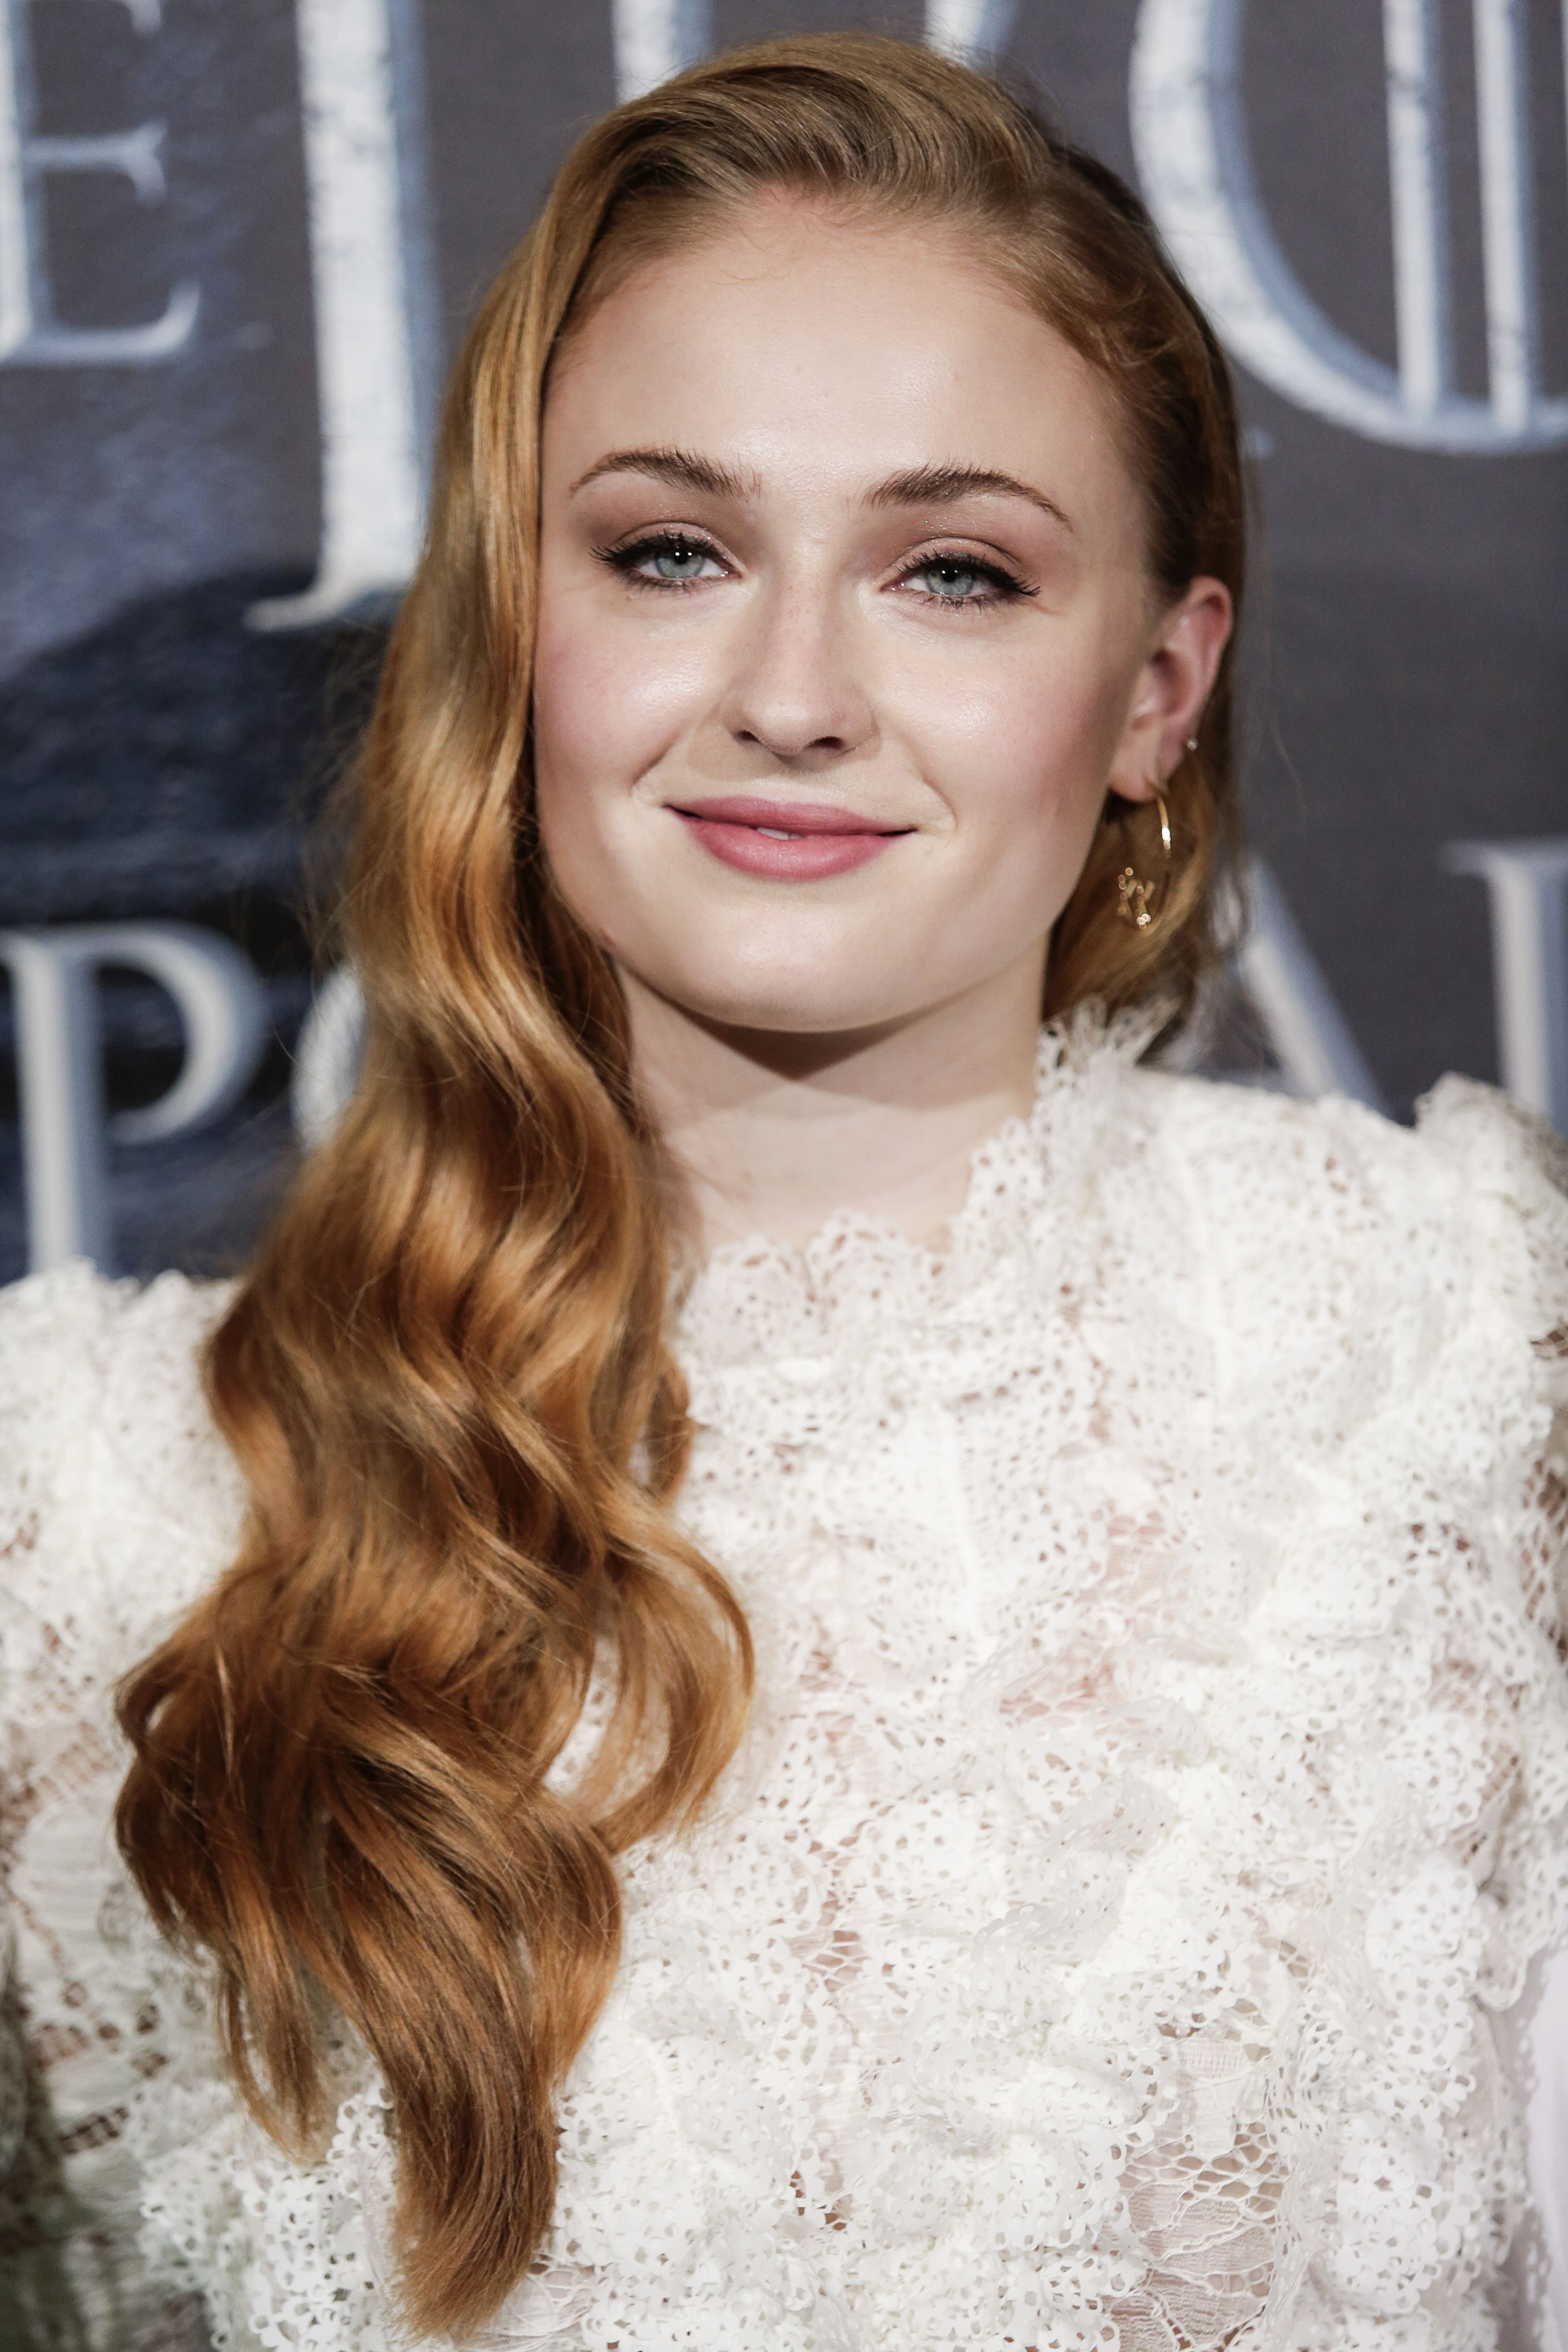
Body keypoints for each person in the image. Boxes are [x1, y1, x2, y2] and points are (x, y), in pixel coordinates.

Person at [2, 32, 1565, 2352]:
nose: (796, 692)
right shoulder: (88, 1510)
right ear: (518, 626)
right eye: (673, 551)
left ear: (1156, 690)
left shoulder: (1483, 1356)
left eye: (955, 572)